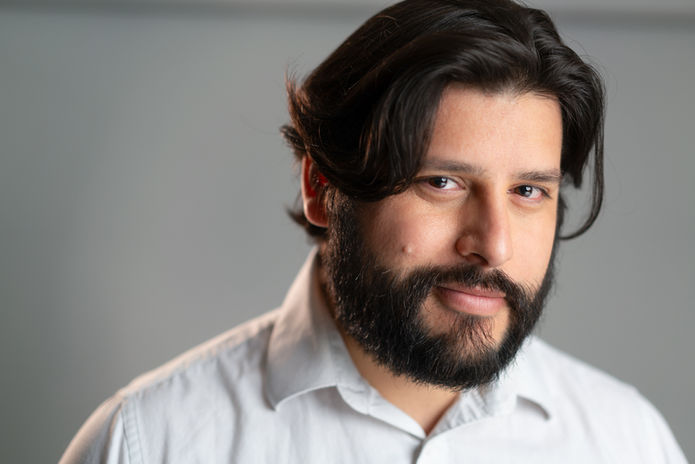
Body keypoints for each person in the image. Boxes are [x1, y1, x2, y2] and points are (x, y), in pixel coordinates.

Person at [60, 0, 687, 462]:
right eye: (442, 182)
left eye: (528, 191)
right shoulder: (147, 442)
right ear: (320, 188)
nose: (494, 245)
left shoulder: (628, 441)